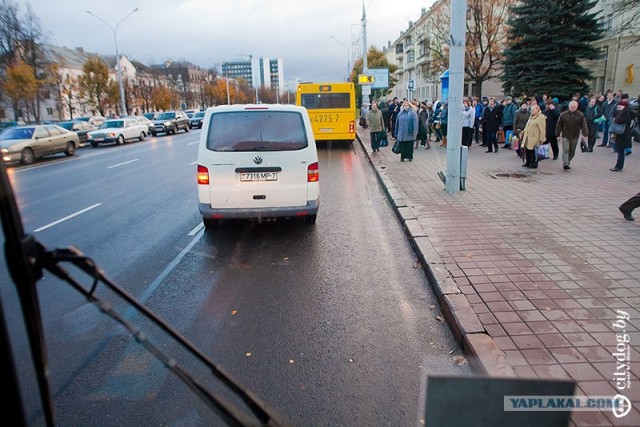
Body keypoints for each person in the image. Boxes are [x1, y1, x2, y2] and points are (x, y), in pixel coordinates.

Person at [555, 100, 588, 170]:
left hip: (575, 135)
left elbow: (583, 125)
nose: (572, 108)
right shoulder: (563, 114)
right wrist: (558, 134)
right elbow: (559, 125)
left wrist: (585, 134)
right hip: (565, 135)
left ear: (577, 107)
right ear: (569, 107)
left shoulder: (580, 115)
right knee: (565, 149)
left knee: (572, 151)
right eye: (571, 107)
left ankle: (568, 161)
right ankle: (565, 163)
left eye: (574, 107)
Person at [609, 99, 634, 172]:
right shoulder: (626, 112)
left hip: (622, 134)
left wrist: (616, 119)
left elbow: (624, 120)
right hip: (623, 133)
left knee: (620, 150)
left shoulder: (625, 113)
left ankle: (619, 166)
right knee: (620, 150)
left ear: (624, 106)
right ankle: (619, 165)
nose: (618, 107)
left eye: (620, 106)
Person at [521, 104, 547, 168]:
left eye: (533, 110)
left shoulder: (540, 117)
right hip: (528, 137)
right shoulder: (531, 116)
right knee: (528, 150)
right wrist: (523, 132)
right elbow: (527, 125)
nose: (531, 111)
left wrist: (542, 138)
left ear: (537, 110)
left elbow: (542, 129)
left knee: (534, 151)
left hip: (535, 138)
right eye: (531, 110)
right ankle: (528, 162)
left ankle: (533, 164)